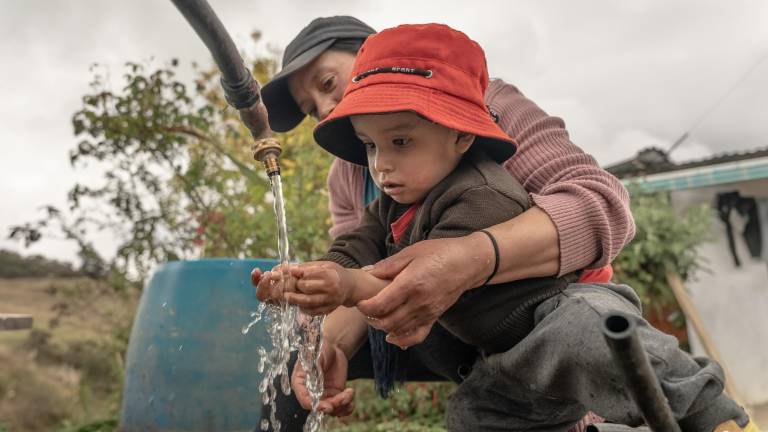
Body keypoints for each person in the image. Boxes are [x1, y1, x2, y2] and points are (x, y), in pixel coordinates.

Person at [258, 23, 752, 432]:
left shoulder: (480, 177)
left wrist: (352, 281)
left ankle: (711, 419)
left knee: (591, 338)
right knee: (471, 413)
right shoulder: (364, 174)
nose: (324, 110)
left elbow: (601, 204)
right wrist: (320, 291)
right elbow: (359, 247)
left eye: (326, 84)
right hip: (474, 341)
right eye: (310, 109)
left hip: (552, 309)